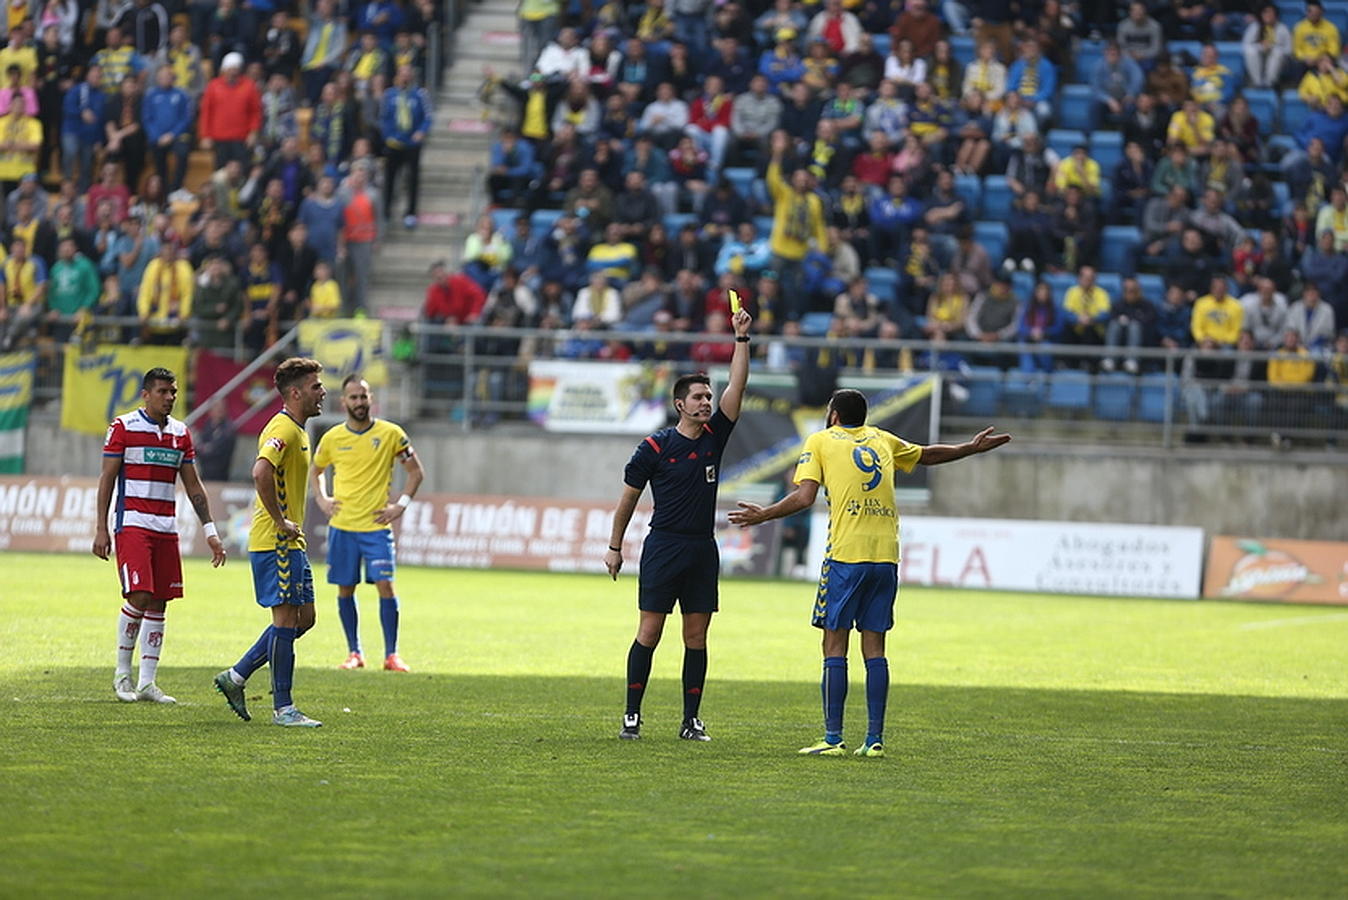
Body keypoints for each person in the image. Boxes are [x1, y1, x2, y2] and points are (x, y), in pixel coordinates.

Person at [728, 389, 1010, 757]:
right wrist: (969, 448)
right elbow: (927, 455)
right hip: (886, 557)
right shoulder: (883, 439)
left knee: (834, 645)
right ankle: (874, 740)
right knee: (875, 648)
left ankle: (832, 739)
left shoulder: (821, 441)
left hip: (846, 555)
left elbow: (803, 497)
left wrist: (762, 515)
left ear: (832, 415)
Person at [605, 308, 753, 743]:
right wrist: (614, 547)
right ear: (679, 405)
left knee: (696, 636)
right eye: (699, 398)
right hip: (664, 547)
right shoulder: (654, 447)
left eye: (709, 396)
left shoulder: (715, 438)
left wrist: (741, 339)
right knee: (649, 632)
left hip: (702, 550)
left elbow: (739, 385)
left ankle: (691, 720)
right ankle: (632, 715)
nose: (707, 402)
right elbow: (628, 501)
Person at [93, 367, 227, 704]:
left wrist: (210, 530)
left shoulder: (181, 433)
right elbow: (107, 478)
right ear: (146, 394)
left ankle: (147, 683)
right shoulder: (123, 427)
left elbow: (193, 486)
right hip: (133, 525)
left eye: (173, 392)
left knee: (159, 602)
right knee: (138, 596)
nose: (169, 398)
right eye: (163, 392)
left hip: (166, 528)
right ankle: (122, 676)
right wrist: (101, 527)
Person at [213, 357, 327, 727]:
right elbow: (260, 470)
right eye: (315, 387)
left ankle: (236, 676)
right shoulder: (283, 428)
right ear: (295, 393)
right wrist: (280, 521)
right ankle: (284, 708)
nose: (322, 391)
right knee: (284, 620)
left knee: (303, 619)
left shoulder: (299, 428)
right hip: (277, 540)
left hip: (291, 542)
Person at [311, 374, 425, 672]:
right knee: (345, 589)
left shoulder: (391, 434)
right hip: (343, 526)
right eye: (353, 397)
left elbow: (415, 472)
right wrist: (323, 500)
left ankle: (392, 655)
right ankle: (354, 653)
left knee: (386, 586)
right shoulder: (333, 437)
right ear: (344, 401)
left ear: (371, 399)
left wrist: (400, 506)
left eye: (363, 396)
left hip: (376, 527)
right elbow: (316, 471)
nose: (359, 402)